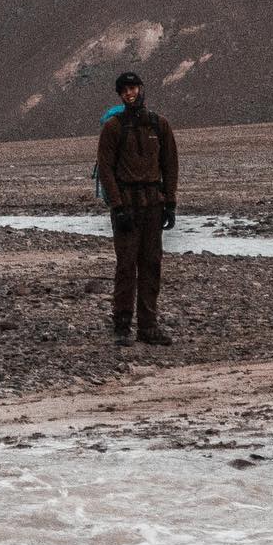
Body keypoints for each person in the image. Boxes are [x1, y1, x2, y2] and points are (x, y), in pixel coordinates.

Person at [97, 70, 179, 346]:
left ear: (142, 89)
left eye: (133, 88)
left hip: (153, 205)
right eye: (124, 90)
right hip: (127, 206)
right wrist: (117, 207)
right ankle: (122, 325)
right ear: (120, 95)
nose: (130, 93)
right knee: (126, 266)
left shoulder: (160, 125)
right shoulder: (113, 128)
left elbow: (170, 165)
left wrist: (170, 202)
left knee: (151, 264)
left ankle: (148, 327)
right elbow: (106, 170)